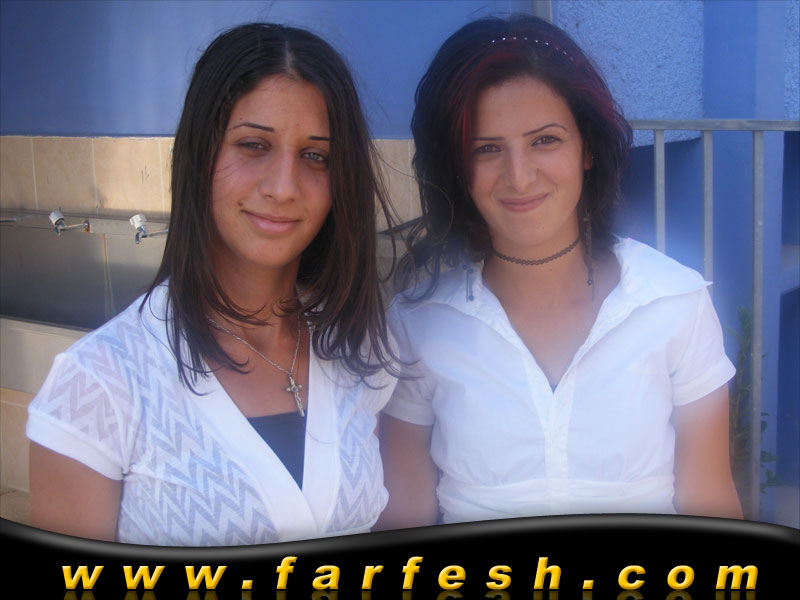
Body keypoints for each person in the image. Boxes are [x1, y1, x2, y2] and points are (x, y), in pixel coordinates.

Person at [27, 23, 400, 545]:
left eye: (315, 155)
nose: (284, 187)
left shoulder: (360, 350)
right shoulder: (98, 384)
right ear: (200, 155)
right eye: (253, 145)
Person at [377, 15, 742, 529]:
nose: (519, 176)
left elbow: (710, 502)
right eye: (486, 149)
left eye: (545, 140)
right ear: (457, 169)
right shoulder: (419, 322)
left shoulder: (673, 302)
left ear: (587, 148)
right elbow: (403, 519)